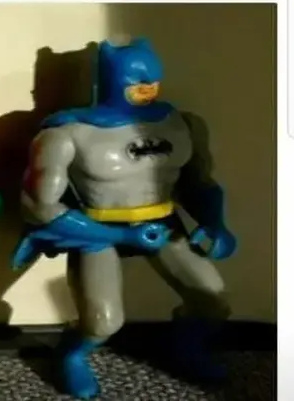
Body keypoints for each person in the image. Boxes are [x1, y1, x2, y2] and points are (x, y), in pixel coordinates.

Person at [13, 36, 237, 399]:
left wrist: (215, 224)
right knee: (102, 322)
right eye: (137, 84)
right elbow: (40, 206)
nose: (148, 91)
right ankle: (71, 354)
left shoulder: (181, 124)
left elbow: (199, 183)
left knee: (212, 300)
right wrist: (119, 237)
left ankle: (186, 346)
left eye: (153, 83)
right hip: (97, 229)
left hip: (162, 223)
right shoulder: (66, 134)